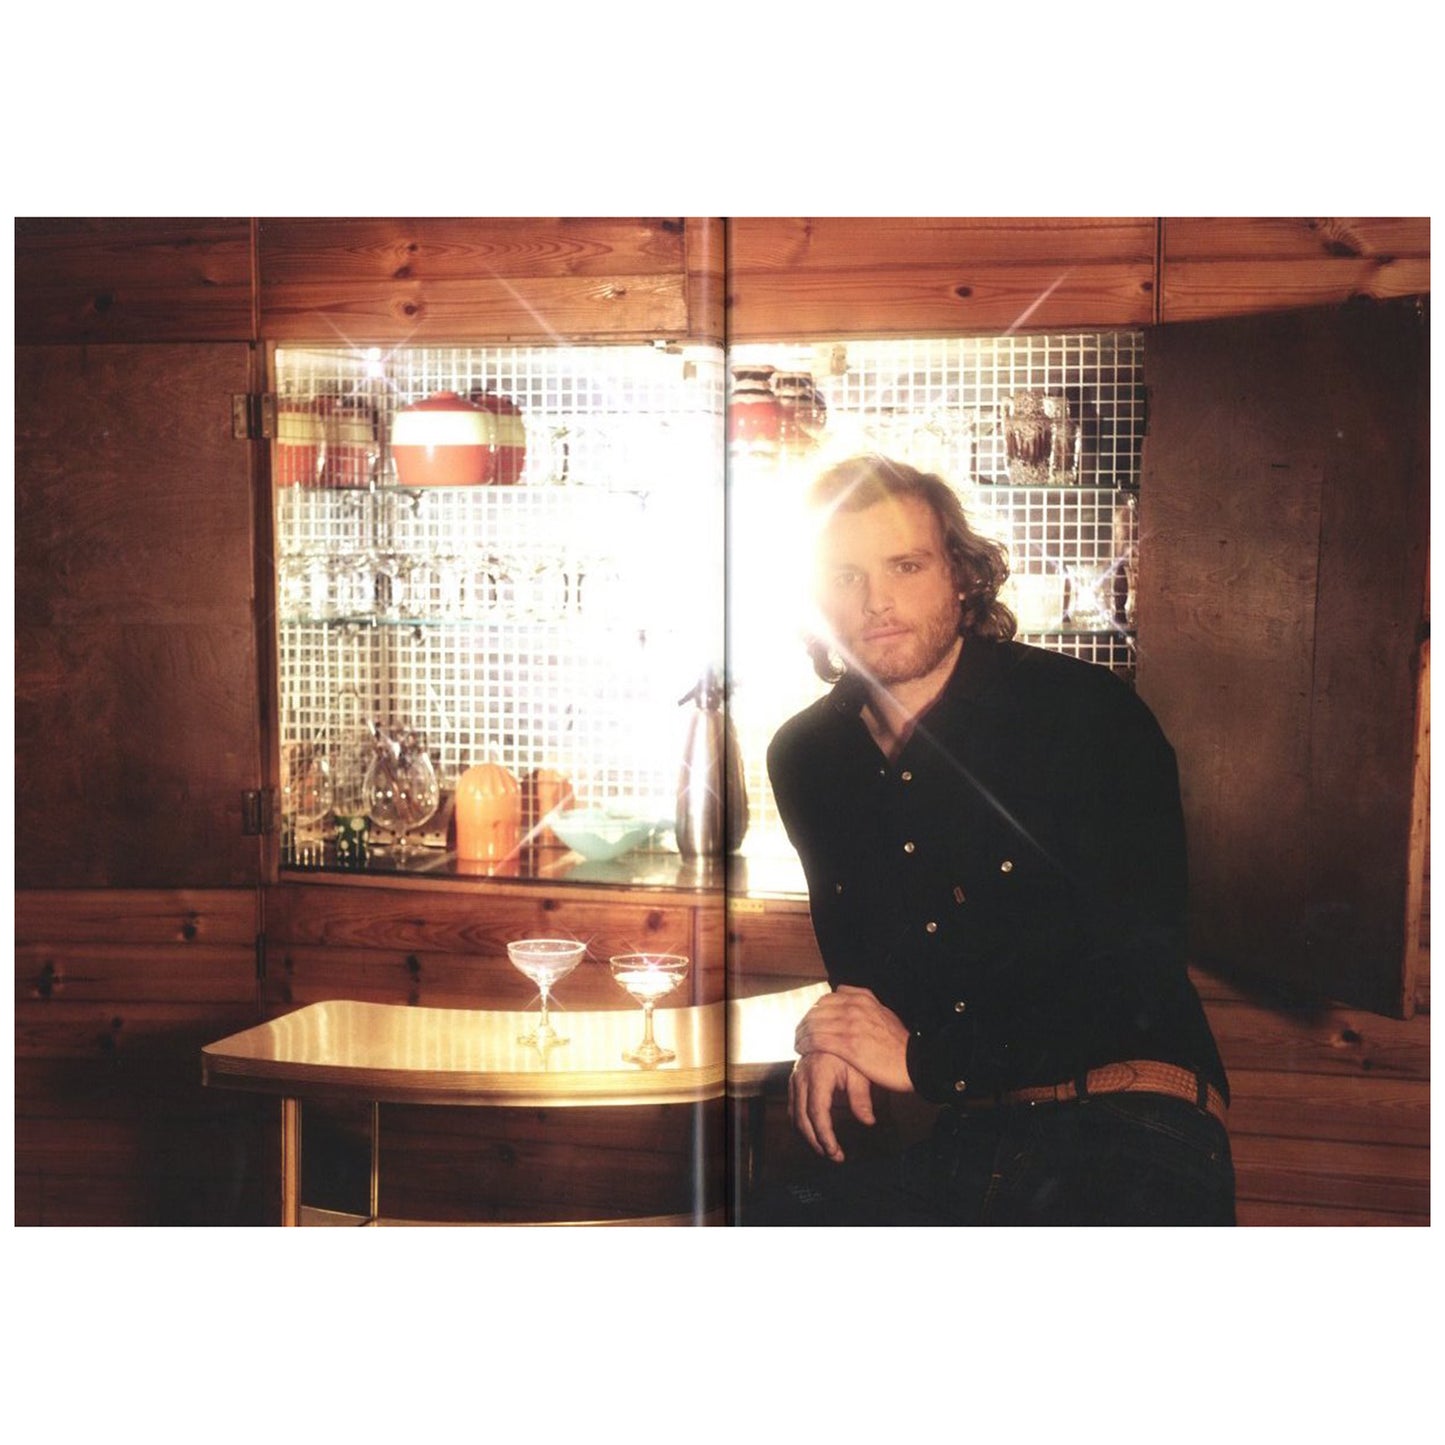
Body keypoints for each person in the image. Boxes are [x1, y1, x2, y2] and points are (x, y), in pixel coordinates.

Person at [762, 454, 1235, 1225]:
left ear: (960, 576)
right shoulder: (806, 755)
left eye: (905, 565)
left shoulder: (1085, 715)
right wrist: (832, 1038)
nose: (876, 600)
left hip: (1128, 1122)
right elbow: (867, 980)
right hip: (967, 1136)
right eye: (844, 575)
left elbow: (1134, 977)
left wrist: (922, 1059)